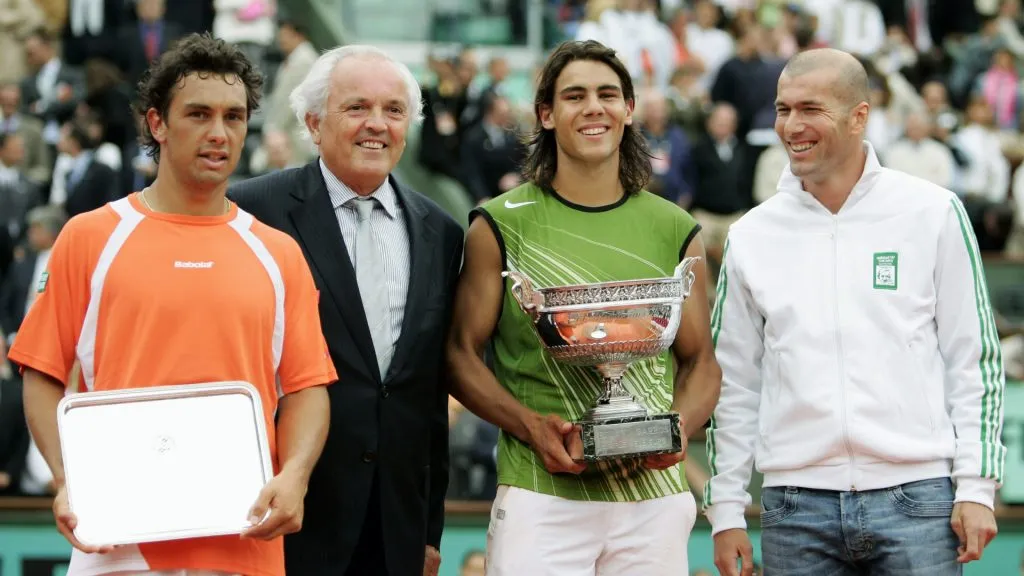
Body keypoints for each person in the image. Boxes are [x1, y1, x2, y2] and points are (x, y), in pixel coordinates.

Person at [7, 33, 337, 576]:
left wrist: (295, 475)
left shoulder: (278, 254)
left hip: (243, 542)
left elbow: (307, 387)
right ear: (157, 123)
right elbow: (40, 372)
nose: (218, 133)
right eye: (199, 114)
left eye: (234, 117)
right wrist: (68, 480)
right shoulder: (90, 237)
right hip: (118, 545)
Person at [705, 48, 1004, 576]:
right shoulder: (751, 235)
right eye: (782, 109)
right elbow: (733, 381)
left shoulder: (933, 212)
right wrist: (726, 509)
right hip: (794, 506)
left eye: (809, 109)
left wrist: (977, 485)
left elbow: (973, 358)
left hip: (919, 500)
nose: (790, 126)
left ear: (858, 116)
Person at [446, 39, 722, 576]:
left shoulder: (674, 227)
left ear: (629, 109)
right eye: (575, 96)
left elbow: (702, 362)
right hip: (542, 493)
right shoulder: (501, 224)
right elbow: (459, 355)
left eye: (607, 94)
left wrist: (672, 433)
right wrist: (530, 426)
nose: (594, 107)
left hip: (654, 499)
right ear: (546, 114)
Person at [229, 44, 464, 576]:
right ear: (313, 123)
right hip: (283, 510)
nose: (376, 124)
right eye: (356, 107)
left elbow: (427, 393)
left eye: (394, 110)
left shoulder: (441, 231)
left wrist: (428, 531)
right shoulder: (251, 211)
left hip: (395, 528)